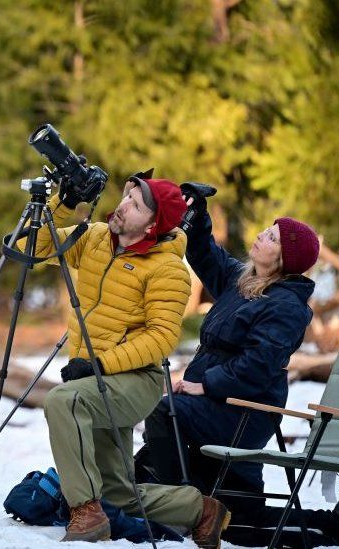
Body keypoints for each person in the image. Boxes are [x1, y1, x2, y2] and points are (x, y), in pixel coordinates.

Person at [138, 188, 339, 545]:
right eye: (267, 230)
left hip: (241, 414)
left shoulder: (286, 306)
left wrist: (206, 384)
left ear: (284, 259)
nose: (262, 235)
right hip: (213, 407)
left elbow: (257, 367)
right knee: (242, 523)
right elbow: (206, 255)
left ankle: (180, 509)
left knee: (164, 411)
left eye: (272, 237)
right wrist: (197, 216)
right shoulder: (244, 281)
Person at [32, 175, 230, 547]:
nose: (122, 205)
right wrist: (61, 203)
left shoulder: (167, 269)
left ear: (152, 224)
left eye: (136, 205)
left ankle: (86, 512)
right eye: (126, 196)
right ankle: (199, 510)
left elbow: (162, 338)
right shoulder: (94, 239)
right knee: (120, 497)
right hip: (92, 378)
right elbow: (28, 249)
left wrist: (99, 365)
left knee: (63, 401)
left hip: (135, 380)